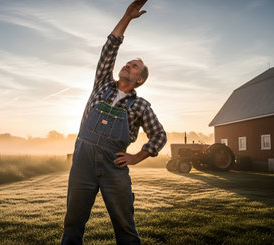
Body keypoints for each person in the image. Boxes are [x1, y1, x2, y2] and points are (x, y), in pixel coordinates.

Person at [61, 0, 167, 244]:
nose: (128, 65)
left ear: (139, 80)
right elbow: (109, 49)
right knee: (73, 224)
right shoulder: (102, 85)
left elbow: (159, 136)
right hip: (82, 163)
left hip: (114, 168)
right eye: (128, 63)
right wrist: (127, 17)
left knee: (125, 228)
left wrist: (136, 157)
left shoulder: (140, 106)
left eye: (134, 66)